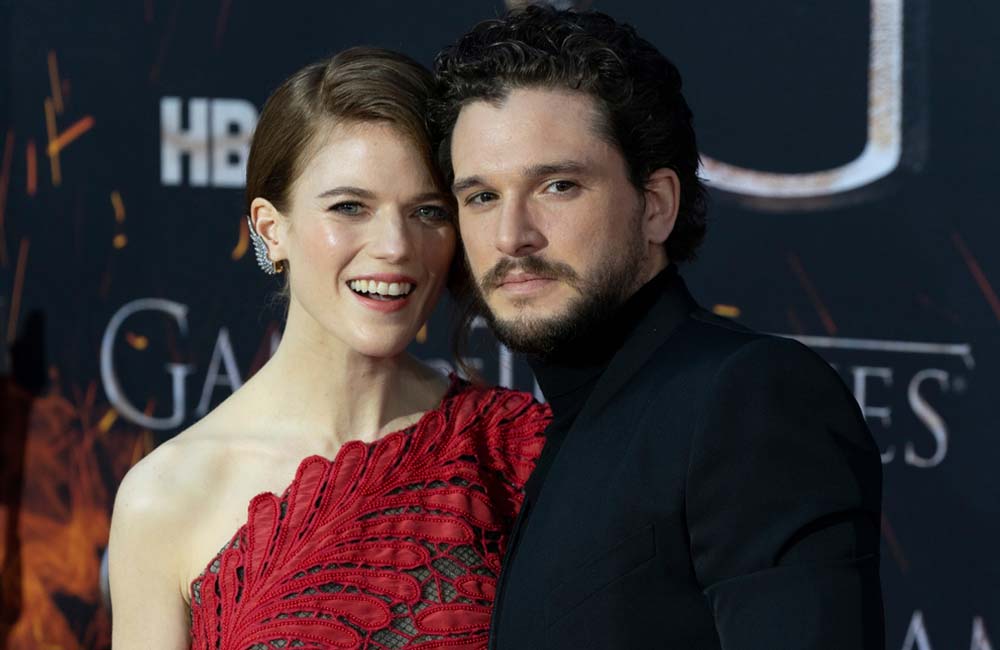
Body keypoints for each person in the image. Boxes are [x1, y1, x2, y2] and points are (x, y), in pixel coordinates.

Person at [432, 6, 885, 649]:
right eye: (481, 197)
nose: (512, 236)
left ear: (656, 206)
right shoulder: (547, 436)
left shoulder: (750, 396)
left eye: (558, 186)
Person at [108, 47, 549, 649]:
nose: (395, 245)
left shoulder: (520, 453)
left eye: (428, 211)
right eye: (350, 207)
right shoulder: (166, 497)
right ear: (272, 228)